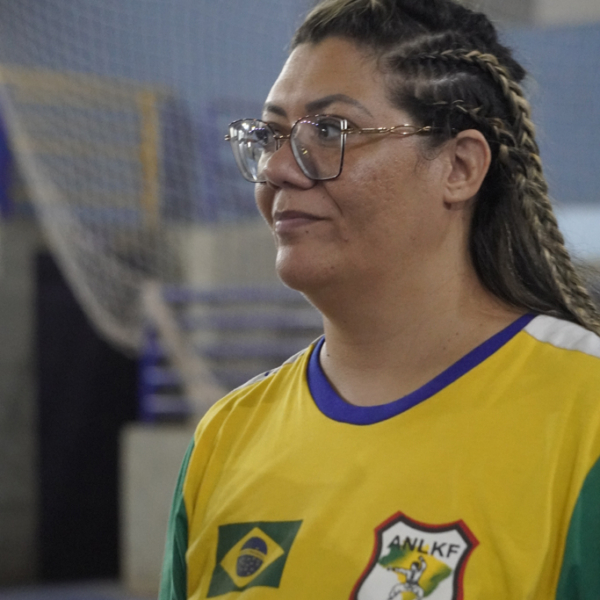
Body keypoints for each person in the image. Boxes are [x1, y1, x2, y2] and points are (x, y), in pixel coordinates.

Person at [160, 0, 600, 598]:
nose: (279, 169)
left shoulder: (583, 416)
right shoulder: (225, 439)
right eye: (270, 136)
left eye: (329, 131)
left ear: (459, 167)